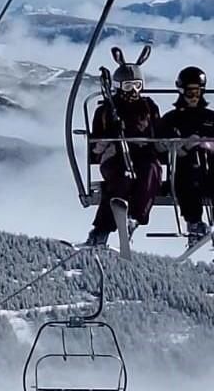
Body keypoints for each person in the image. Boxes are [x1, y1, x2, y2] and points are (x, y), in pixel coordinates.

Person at [85, 45, 164, 248]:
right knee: (122, 180)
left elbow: (158, 132)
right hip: (115, 156)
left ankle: (135, 218)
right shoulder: (106, 111)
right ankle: (101, 230)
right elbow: (95, 146)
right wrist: (109, 141)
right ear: (119, 86)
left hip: (143, 154)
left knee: (152, 171)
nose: (134, 91)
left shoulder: (148, 107)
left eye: (137, 85)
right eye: (128, 87)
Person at [160, 66, 214, 247]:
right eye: (190, 92)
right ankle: (194, 222)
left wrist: (206, 144)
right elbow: (159, 146)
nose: (194, 97)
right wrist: (180, 146)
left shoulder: (210, 118)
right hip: (184, 174)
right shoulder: (172, 119)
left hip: (209, 173)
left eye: (197, 92)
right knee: (190, 167)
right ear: (181, 91)